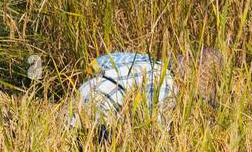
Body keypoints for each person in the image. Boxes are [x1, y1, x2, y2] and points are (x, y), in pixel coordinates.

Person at [66, 47, 223, 135]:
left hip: (79, 97)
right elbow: (157, 131)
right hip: (98, 118)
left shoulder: (144, 59)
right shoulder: (167, 86)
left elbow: (96, 63)